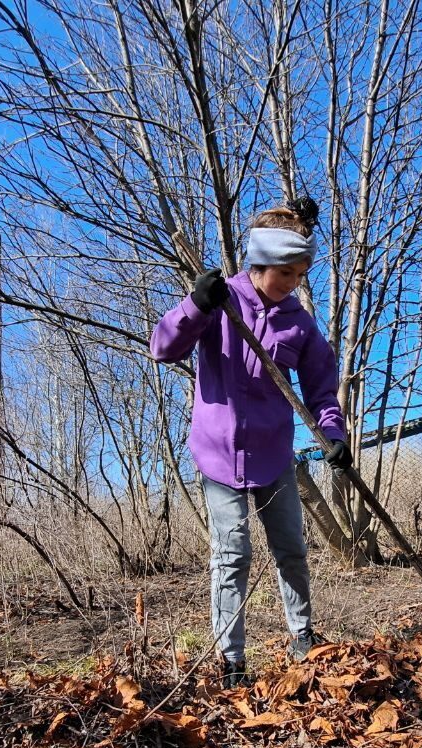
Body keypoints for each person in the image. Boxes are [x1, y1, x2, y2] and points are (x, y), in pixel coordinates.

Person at [150, 199, 352, 689]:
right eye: (286, 273)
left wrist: (333, 433)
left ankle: (303, 638)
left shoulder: (299, 323)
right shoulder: (222, 301)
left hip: (273, 454)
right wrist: (195, 304)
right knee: (232, 555)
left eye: (301, 274)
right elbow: (163, 348)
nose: (293, 284)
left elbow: (321, 387)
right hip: (217, 454)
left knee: (291, 550)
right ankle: (231, 661)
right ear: (259, 263)